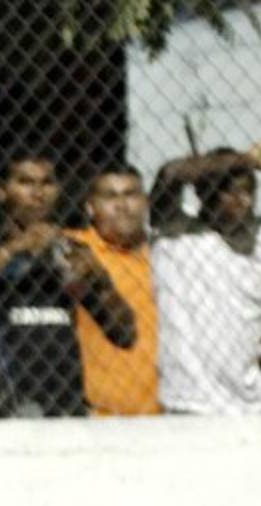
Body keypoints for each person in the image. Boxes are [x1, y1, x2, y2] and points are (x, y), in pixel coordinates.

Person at [0, 154, 135, 418]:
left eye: (47, 183)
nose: (38, 193)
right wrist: (12, 250)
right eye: (25, 182)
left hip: (60, 408)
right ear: (2, 191)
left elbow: (124, 334)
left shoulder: (69, 249)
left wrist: (101, 279)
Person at [149, 141, 261, 415]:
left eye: (249, 191)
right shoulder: (175, 234)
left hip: (252, 405)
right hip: (188, 403)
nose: (243, 201)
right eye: (230, 191)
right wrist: (246, 159)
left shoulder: (260, 240)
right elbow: (170, 174)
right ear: (203, 192)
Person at [65, 165, 160, 416]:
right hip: (100, 414)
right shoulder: (75, 249)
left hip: (163, 412)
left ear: (145, 202)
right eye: (110, 196)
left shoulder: (164, 255)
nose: (122, 205)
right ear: (90, 207)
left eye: (130, 194)